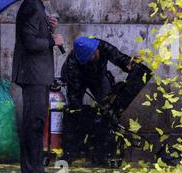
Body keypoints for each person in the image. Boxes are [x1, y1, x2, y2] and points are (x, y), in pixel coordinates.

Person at [61, 36, 152, 166]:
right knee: (75, 112)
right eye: (89, 58)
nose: (94, 56)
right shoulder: (72, 65)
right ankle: (76, 148)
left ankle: (105, 147)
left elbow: (117, 56)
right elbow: (74, 94)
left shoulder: (101, 46)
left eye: (94, 54)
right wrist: (77, 111)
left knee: (109, 107)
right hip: (78, 79)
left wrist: (128, 64)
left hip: (98, 77)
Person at [12, 0, 64, 173]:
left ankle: (34, 168)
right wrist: (53, 41)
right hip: (32, 75)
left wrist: (49, 27)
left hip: (38, 75)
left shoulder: (37, 6)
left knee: (38, 120)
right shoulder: (31, 8)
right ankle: (32, 169)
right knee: (33, 121)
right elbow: (30, 42)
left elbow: (36, 34)